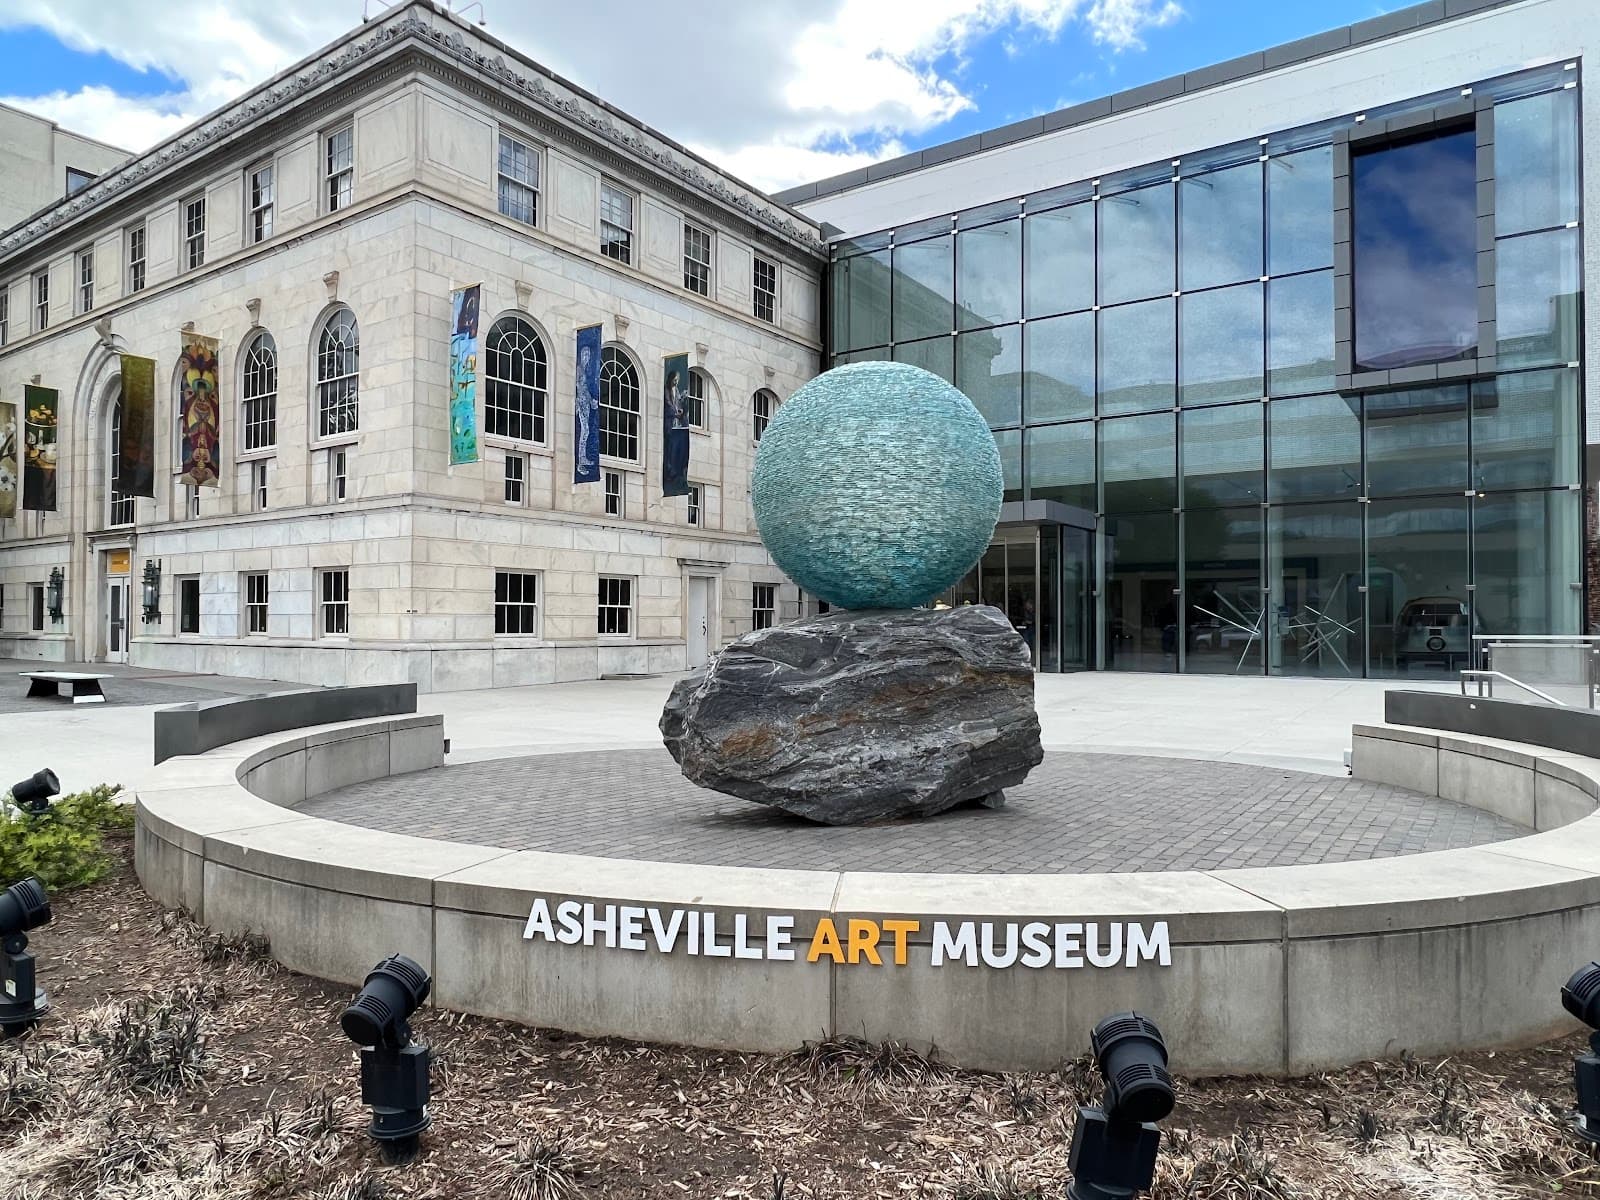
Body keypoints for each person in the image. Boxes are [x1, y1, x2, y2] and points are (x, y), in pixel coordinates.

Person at [575, 342, 598, 477]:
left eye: (588, 354)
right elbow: (577, 388)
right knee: (584, 430)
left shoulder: (585, 371)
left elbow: (585, 390)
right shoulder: (578, 369)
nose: (586, 356)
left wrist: (591, 401)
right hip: (580, 404)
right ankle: (579, 462)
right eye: (584, 354)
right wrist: (577, 403)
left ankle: (582, 457)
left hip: (586, 404)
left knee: (586, 431)